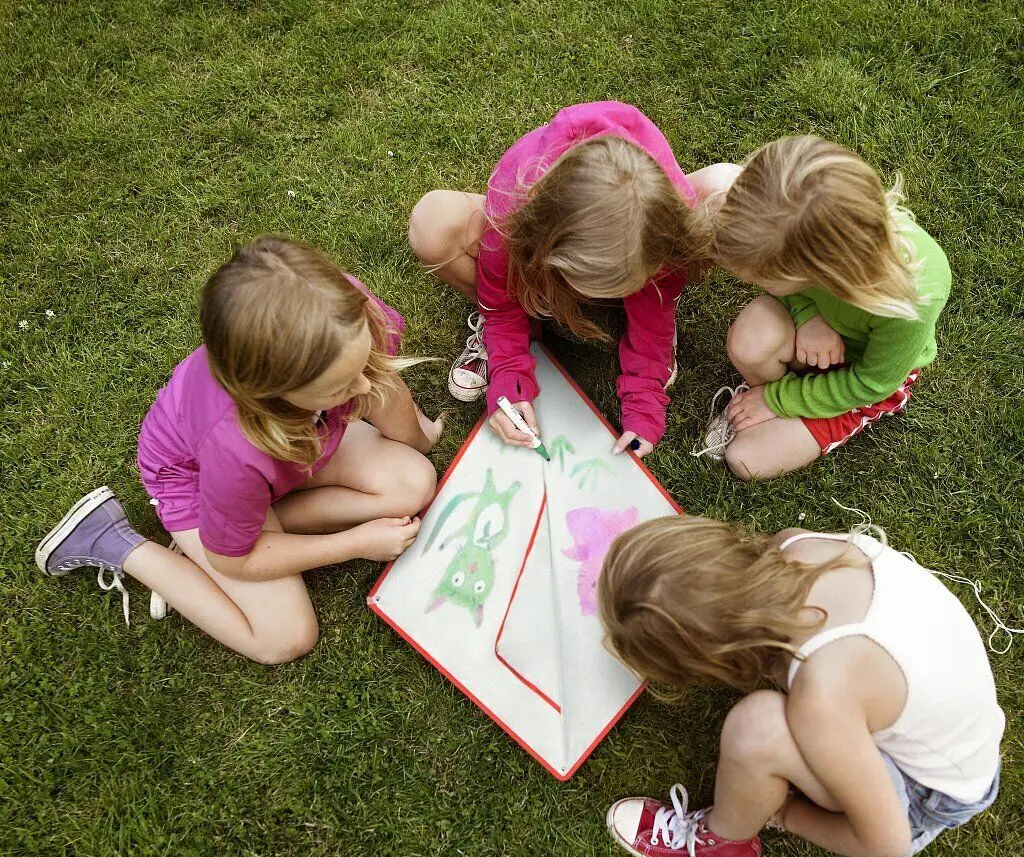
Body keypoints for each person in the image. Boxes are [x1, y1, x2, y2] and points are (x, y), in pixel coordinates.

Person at [36, 237, 441, 664]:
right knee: (284, 638)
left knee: (413, 482)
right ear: (275, 392)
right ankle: (112, 539)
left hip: (290, 453)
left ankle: (222, 532)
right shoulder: (236, 450)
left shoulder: (336, 311)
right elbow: (236, 563)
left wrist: (420, 438)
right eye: (340, 386)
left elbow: (380, 381)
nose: (362, 387)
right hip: (194, 481)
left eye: (360, 364)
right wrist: (355, 542)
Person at [598, 516, 1004, 857]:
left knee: (757, 728)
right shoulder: (797, 546)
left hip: (930, 796)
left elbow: (888, 841)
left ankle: (723, 843)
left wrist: (790, 814)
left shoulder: (824, 694)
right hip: (961, 733)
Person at [408, 101, 706, 458]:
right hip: (530, 234)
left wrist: (644, 404)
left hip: (633, 245)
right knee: (433, 221)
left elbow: (654, 310)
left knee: (723, 188)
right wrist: (510, 380)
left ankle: (636, 324)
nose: (590, 300)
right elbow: (501, 305)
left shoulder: (663, 229)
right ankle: (521, 326)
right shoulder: (513, 210)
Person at [696, 136, 951, 479]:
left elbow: (873, 383)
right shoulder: (808, 233)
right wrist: (809, 315)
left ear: (819, 271)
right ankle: (783, 398)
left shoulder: (913, 297)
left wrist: (776, 398)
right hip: (817, 335)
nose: (760, 286)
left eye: (767, 279)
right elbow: (791, 292)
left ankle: (784, 399)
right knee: (751, 339)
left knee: (747, 459)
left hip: (865, 376)